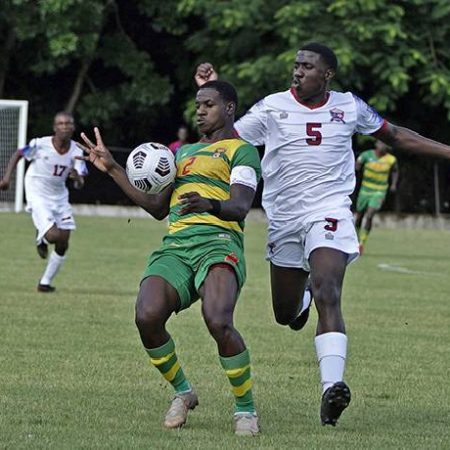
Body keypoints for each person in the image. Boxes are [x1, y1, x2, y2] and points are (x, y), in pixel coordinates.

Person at [195, 42, 450, 426]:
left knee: (330, 290)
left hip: (329, 211)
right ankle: (303, 298)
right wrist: (216, 92)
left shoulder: (349, 106)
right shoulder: (271, 107)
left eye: (307, 66)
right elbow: (224, 138)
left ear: (327, 74)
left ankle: (332, 388)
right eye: (296, 65)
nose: (298, 71)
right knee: (286, 315)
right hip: (283, 219)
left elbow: (396, 134)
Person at [78, 80, 262, 436]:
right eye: (198, 105)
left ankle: (245, 410)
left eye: (208, 104)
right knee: (146, 316)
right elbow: (157, 207)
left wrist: (209, 204)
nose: (200, 110)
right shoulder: (181, 153)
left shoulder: (241, 151)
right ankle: (183, 392)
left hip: (218, 241)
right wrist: (113, 167)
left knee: (218, 320)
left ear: (228, 108)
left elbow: (240, 206)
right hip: (177, 246)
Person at [0, 111, 87, 293]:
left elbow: (80, 184)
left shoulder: (77, 150)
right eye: (60, 124)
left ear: (73, 127)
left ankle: (45, 282)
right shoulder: (40, 144)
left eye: (68, 123)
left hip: (59, 195)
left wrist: (77, 177)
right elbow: (19, 153)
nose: (64, 126)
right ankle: (41, 232)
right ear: (55, 127)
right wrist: (7, 178)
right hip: (37, 190)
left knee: (63, 241)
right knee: (53, 236)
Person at [354, 140, 399, 253]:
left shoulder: (391, 159)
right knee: (359, 216)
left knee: (369, 215)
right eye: (382, 143)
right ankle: (356, 239)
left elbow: (395, 171)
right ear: (377, 144)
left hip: (379, 190)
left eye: (386, 144)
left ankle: (362, 242)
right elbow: (356, 166)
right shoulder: (366, 155)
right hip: (365, 189)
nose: (385, 145)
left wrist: (393, 184)